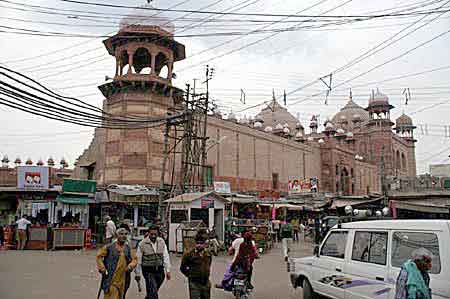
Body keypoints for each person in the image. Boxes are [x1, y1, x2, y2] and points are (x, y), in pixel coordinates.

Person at [96, 228, 137, 299]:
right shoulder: (109, 247)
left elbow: (135, 259)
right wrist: (102, 268)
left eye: (125, 234)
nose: (123, 236)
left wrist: (131, 266)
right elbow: (99, 257)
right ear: (116, 236)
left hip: (123, 278)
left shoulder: (128, 248)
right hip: (111, 278)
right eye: (121, 234)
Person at [135, 225, 171, 299]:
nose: (153, 236)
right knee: (153, 290)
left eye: (155, 234)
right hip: (148, 270)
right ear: (148, 233)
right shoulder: (142, 244)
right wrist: (137, 273)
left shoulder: (161, 241)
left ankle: (148, 297)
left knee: (152, 290)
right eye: (151, 234)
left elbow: (165, 256)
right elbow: (138, 259)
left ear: (158, 234)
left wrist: (168, 270)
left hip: (160, 270)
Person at [180, 230, 212, 299]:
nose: (199, 245)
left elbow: (209, 264)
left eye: (201, 243)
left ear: (204, 244)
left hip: (205, 283)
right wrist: (190, 275)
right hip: (194, 283)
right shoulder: (189, 254)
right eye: (197, 243)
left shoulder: (208, 254)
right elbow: (182, 268)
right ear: (195, 243)